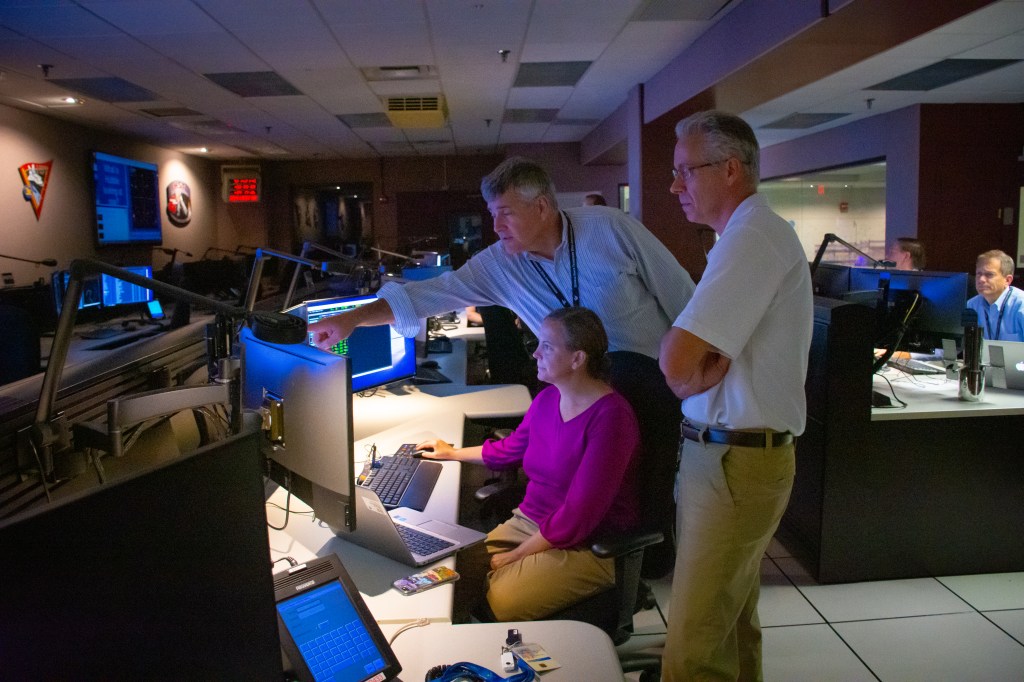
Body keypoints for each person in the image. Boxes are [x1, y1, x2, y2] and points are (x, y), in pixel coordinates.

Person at [309, 156, 696, 576]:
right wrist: (351, 319)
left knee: (647, 510)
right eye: (493, 214)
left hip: (653, 386)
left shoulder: (611, 230)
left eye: (506, 213)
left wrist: (699, 383)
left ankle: (631, 574)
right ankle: (575, 566)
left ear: (543, 207)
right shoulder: (499, 264)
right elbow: (431, 294)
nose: (496, 226)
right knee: (579, 502)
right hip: (578, 394)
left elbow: (684, 300)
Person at [659, 110, 813, 681]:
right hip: (733, 456)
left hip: (734, 460)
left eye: (684, 172)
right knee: (731, 629)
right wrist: (687, 377)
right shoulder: (743, 237)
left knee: (693, 651)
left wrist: (683, 378)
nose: (675, 186)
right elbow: (685, 365)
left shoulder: (752, 237)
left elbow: (675, 361)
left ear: (729, 169)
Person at [416, 307, 641, 620]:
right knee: (451, 571)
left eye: (547, 346)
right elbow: (510, 449)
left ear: (577, 359)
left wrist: (514, 557)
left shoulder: (612, 419)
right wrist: (451, 452)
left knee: (498, 599)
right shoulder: (548, 399)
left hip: (586, 543)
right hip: (530, 522)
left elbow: (579, 514)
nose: (535, 354)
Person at [967, 249, 1024, 341]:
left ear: (1007, 280)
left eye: (989, 274)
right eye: (978, 274)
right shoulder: (971, 306)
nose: (981, 279)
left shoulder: (1021, 304)